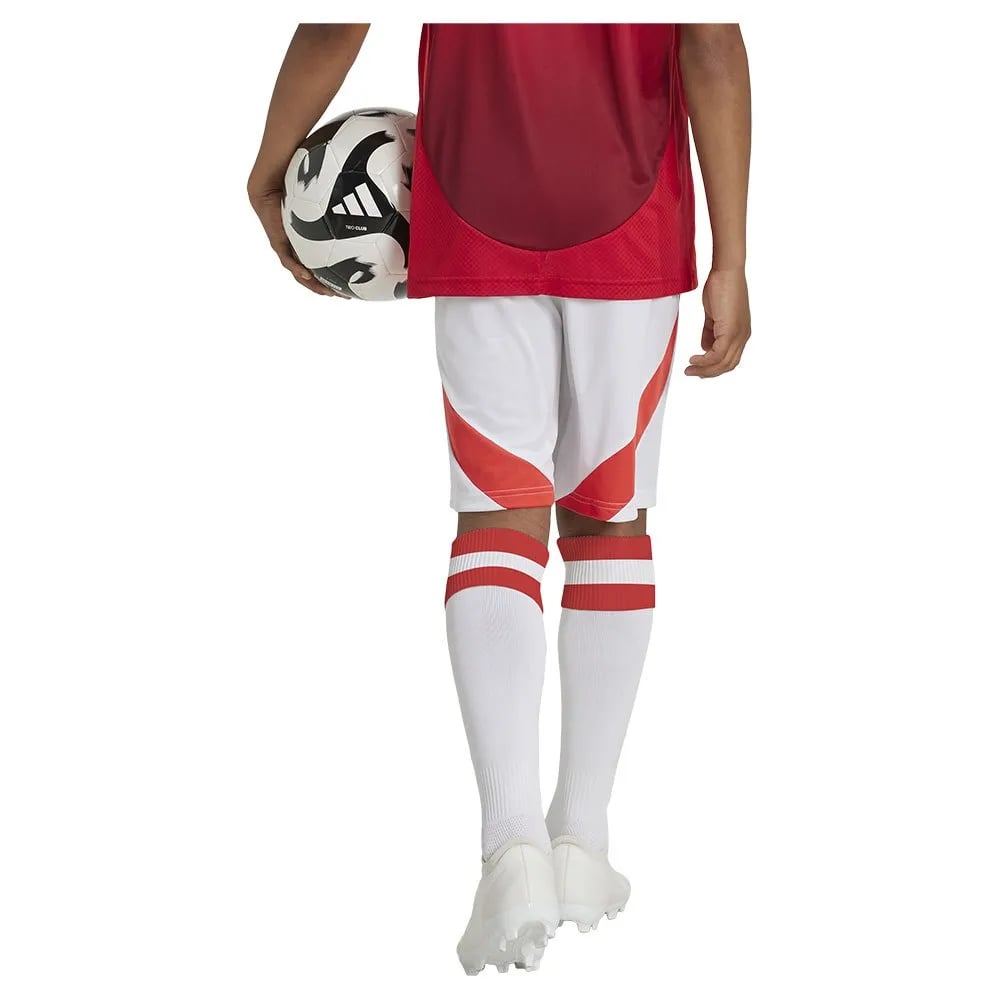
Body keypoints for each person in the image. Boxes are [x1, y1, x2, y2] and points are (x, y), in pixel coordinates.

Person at [248, 22, 751, 974]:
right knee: (608, 521)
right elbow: (712, 44)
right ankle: (582, 839)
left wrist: (268, 172)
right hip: (631, 208)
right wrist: (730, 255)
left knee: (496, 518)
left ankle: (512, 845)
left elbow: (337, 23)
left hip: (476, 201)